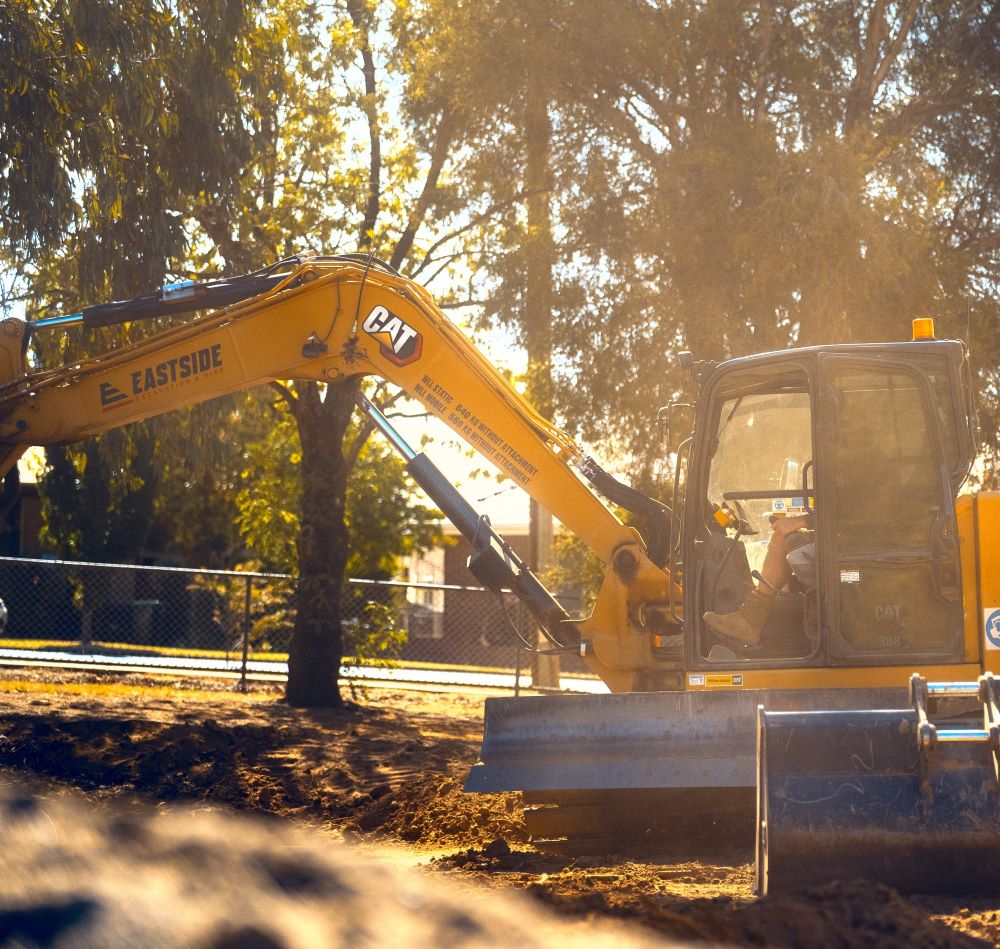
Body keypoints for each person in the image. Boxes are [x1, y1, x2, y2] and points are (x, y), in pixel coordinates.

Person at [702, 513, 813, 646]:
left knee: (782, 535)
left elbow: (842, 509)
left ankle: (751, 620)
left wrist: (801, 520)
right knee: (781, 536)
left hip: (841, 544)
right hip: (837, 537)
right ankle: (752, 617)